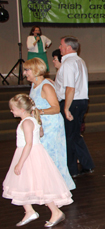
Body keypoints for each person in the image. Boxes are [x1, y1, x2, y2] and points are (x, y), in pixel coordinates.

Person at [3, 94, 72, 227]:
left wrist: (20, 163)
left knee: (39, 185)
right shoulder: (32, 120)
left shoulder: (27, 122)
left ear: (22, 110)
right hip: (31, 153)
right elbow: (40, 134)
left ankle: (55, 212)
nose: (11, 111)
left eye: (13, 109)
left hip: (29, 155)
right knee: (22, 184)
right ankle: (29, 211)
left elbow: (29, 143)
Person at [23, 58, 75, 190]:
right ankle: (48, 186)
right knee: (43, 155)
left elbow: (56, 108)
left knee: (51, 155)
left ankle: (57, 186)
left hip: (51, 125)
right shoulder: (35, 85)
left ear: (35, 70)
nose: (24, 73)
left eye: (26, 70)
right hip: (42, 124)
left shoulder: (46, 86)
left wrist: (38, 111)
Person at [55, 36, 95, 178]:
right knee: (75, 136)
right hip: (81, 101)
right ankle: (87, 164)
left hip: (72, 102)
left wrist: (66, 108)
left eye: (61, 45)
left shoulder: (68, 63)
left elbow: (70, 88)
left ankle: (71, 171)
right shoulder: (79, 61)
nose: (59, 48)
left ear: (68, 48)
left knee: (69, 138)